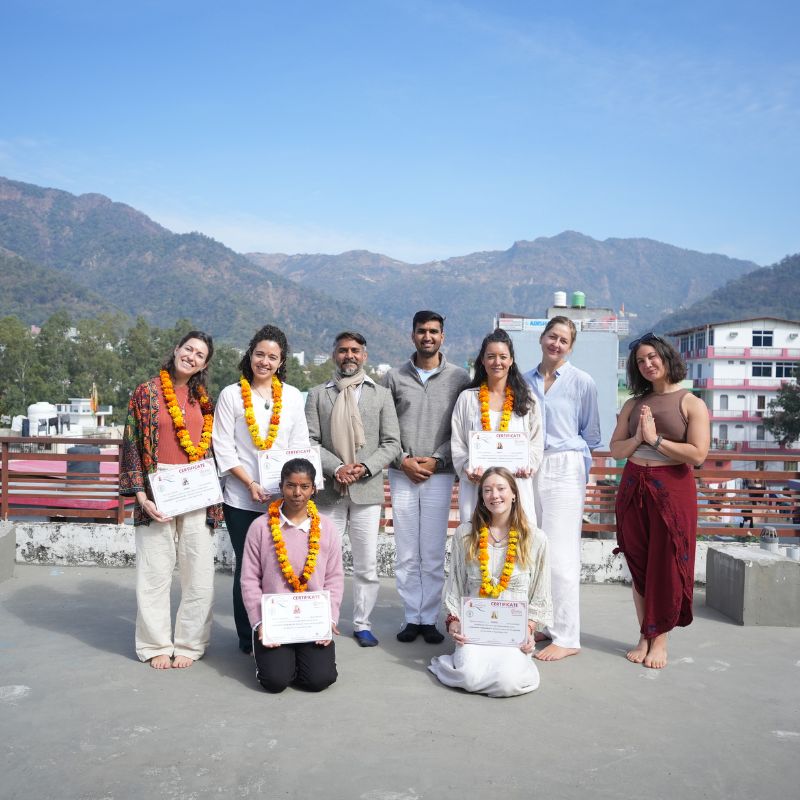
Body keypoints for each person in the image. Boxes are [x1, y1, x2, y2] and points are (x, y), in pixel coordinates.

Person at [120, 331, 221, 669]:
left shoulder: (204, 399)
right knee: (154, 573)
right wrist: (140, 496)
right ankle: (155, 644)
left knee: (199, 574)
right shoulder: (146, 393)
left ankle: (190, 644)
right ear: (176, 349)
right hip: (155, 489)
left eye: (199, 354)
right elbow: (131, 446)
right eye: (188, 349)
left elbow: (211, 449)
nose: (191, 356)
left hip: (196, 491)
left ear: (204, 364)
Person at [610, 331, 710, 669]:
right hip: (633, 485)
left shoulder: (691, 402)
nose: (648, 364)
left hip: (672, 489)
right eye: (640, 360)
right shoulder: (633, 404)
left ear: (666, 357)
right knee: (638, 562)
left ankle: (661, 639)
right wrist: (639, 437)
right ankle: (644, 633)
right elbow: (615, 450)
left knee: (666, 564)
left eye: (652, 356)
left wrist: (656, 440)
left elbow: (697, 454)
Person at [212, 324, 310, 654]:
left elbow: (298, 446)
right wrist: (249, 483)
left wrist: (290, 491)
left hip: (284, 499)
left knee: (282, 565)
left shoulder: (293, 397)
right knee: (248, 567)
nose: (264, 362)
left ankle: (283, 628)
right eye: (259, 354)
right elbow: (223, 447)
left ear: (281, 362)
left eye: (272, 357)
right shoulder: (230, 395)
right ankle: (248, 636)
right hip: (241, 498)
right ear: (249, 355)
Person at [305, 331, 401, 647]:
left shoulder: (381, 395)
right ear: (334, 354)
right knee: (319, 559)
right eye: (343, 350)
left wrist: (365, 467)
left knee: (366, 564)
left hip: (367, 489)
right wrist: (337, 467)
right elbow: (309, 441)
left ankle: (362, 623)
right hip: (330, 491)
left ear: (365, 356)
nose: (349, 355)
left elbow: (391, 443)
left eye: (355, 350)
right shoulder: (319, 394)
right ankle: (322, 619)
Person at [384, 311, 470, 644]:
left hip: (439, 474)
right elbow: (384, 428)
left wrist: (437, 459)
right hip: (402, 472)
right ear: (413, 335)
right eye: (422, 331)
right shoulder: (393, 377)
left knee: (432, 551)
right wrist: (402, 460)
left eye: (434, 331)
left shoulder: (459, 378)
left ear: (442, 336)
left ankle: (429, 618)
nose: (428, 337)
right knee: (406, 549)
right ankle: (411, 617)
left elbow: (461, 428)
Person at [428, 467, 553, 697]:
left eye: (501, 488)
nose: (494, 495)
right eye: (487, 490)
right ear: (482, 498)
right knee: (468, 677)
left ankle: (514, 667)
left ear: (514, 493)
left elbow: (540, 594)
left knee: (508, 684)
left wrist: (528, 629)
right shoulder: (466, 534)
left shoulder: (535, 538)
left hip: (512, 633)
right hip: (475, 631)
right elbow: (455, 583)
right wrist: (454, 623)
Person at [523, 316, 601, 662]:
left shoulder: (583, 382)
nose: (556, 344)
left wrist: (568, 457)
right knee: (534, 548)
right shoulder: (523, 382)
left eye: (564, 340)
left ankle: (567, 635)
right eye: (552, 336)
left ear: (570, 346)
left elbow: (592, 433)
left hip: (565, 465)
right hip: (530, 468)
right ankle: (544, 621)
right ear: (542, 338)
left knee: (562, 554)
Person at [240, 458, 343, 692]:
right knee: (275, 682)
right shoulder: (260, 527)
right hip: (275, 620)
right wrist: (260, 623)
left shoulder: (326, 528)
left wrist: (329, 618)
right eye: (291, 485)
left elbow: (334, 577)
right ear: (281, 486)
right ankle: (273, 660)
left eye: (304, 486)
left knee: (319, 680)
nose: (297, 493)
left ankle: (298, 659)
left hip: (312, 619)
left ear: (314, 489)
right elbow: (249, 580)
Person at [452, 328, 543, 525]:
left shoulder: (527, 399)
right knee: (476, 545)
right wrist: (468, 468)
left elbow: (536, 441)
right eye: (491, 356)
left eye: (503, 356)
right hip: (476, 486)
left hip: (516, 485)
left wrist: (529, 465)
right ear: (482, 361)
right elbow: (458, 443)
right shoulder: (467, 399)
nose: (497, 362)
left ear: (511, 361)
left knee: (517, 545)